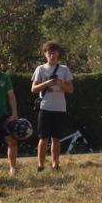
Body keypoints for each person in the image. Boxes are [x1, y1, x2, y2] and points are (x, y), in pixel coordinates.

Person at [31, 41, 73, 172]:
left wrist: (61, 83)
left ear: (58, 54)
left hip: (59, 108)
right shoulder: (40, 69)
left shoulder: (64, 69)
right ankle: (40, 165)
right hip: (45, 107)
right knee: (43, 138)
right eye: (49, 53)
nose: (52, 55)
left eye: (54, 53)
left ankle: (55, 164)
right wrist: (46, 84)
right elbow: (33, 88)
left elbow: (70, 89)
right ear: (45, 54)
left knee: (56, 138)